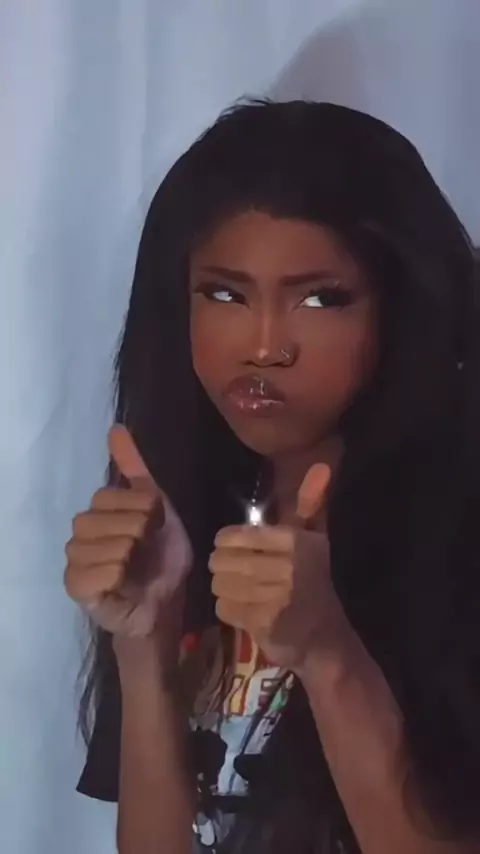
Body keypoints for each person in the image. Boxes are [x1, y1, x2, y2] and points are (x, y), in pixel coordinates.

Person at [64, 100, 480, 854]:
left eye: (321, 299)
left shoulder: (457, 537)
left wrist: (328, 653)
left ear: (402, 310)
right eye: (225, 293)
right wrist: (143, 645)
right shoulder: (184, 525)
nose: (264, 347)